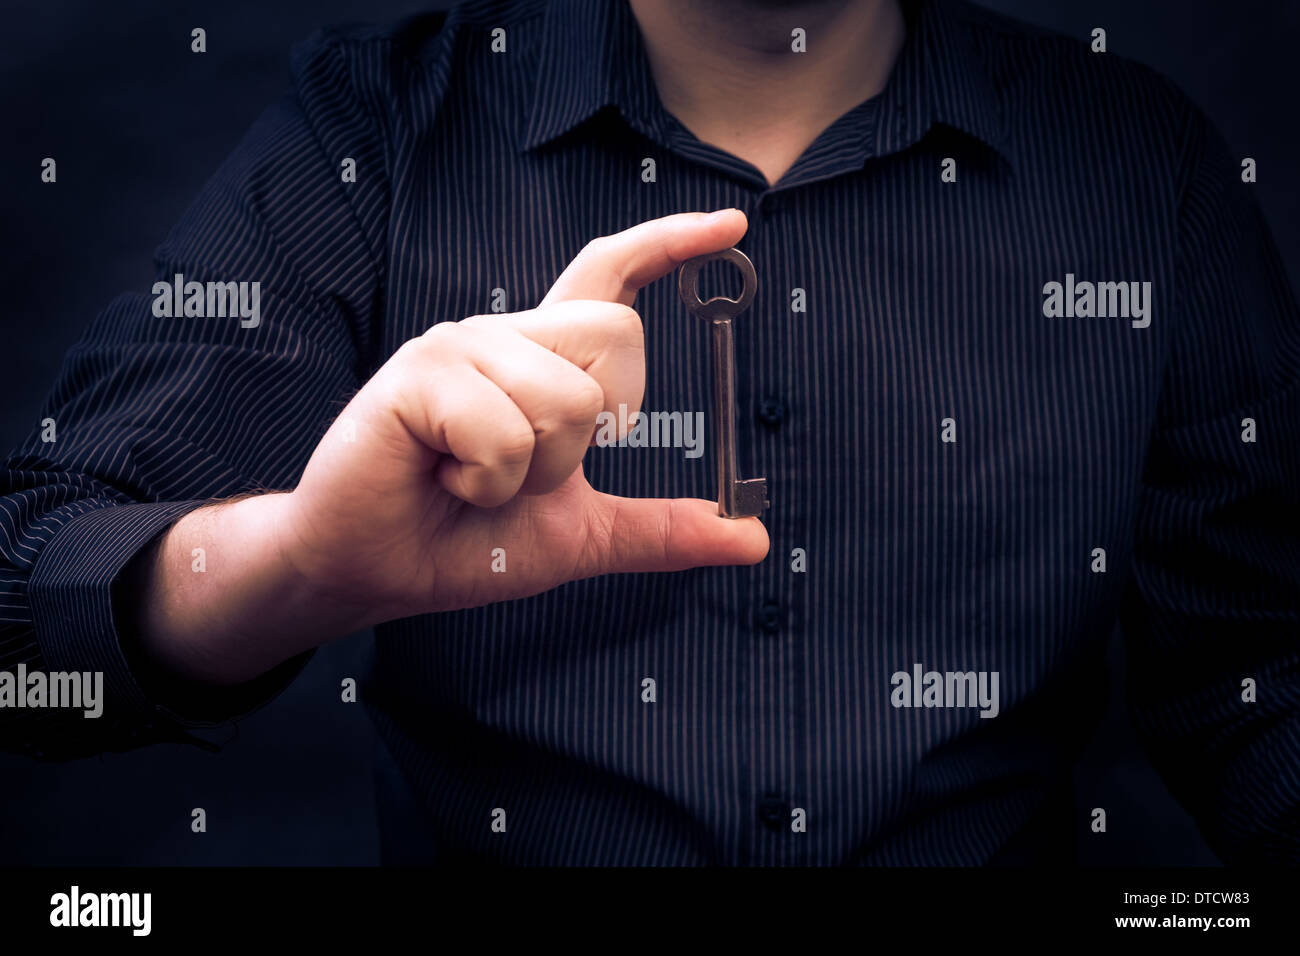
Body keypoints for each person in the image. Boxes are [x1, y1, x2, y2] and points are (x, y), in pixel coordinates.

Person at [2, 0, 1297, 865]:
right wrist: (296, 564)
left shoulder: (1142, 165)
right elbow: (26, 614)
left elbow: (1259, 677)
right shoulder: (378, 126)